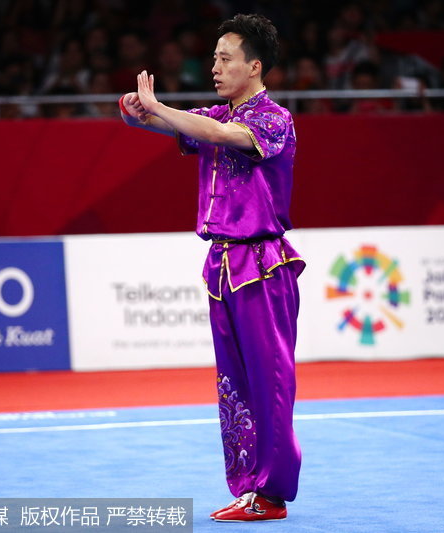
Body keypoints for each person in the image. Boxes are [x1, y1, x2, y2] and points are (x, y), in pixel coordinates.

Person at [119, 13, 304, 522]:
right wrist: (136, 110)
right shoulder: (216, 114)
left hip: (261, 265)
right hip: (221, 265)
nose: (215, 67)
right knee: (233, 384)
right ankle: (249, 488)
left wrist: (162, 108)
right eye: (214, 58)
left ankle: (272, 493)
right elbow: (163, 123)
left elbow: (218, 133)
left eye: (225, 59)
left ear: (255, 66)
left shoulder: (273, 119)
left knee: (269, 380)